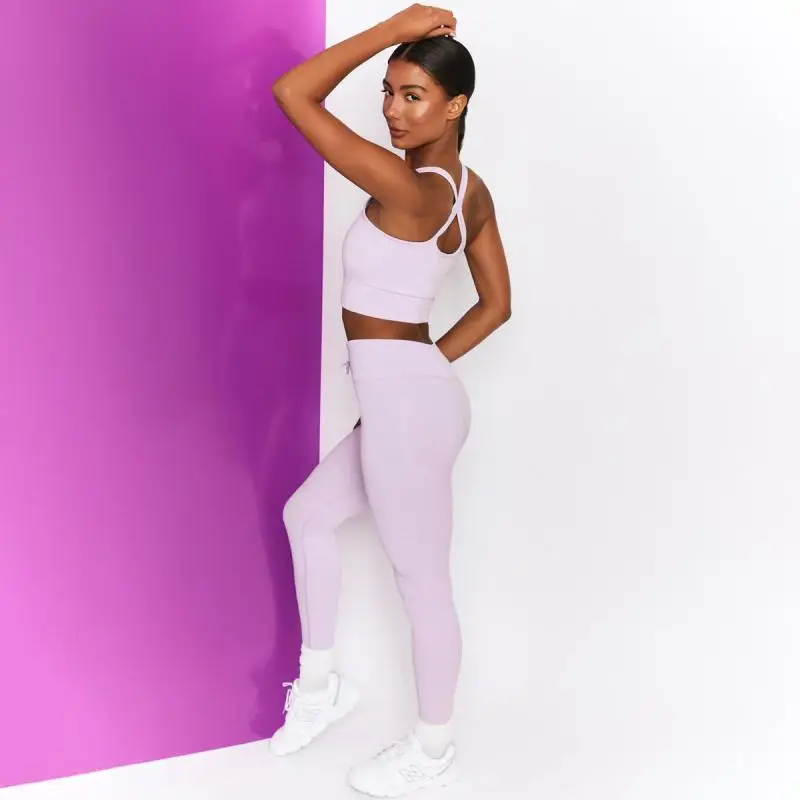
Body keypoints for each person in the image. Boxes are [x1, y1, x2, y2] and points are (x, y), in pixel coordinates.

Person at [269, 5, 511, 796]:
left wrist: (392, 25)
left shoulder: (406, 186)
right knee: (308, 516)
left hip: (409, 402)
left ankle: (432, 749)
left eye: (413, 95)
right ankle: (320, 687)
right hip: (412, 395)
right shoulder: (469, 192)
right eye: (388, 91)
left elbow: (294, 92)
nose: (393, 111)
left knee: (421, 582)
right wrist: (413, 372)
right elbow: (496, 306)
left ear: (456, 105)